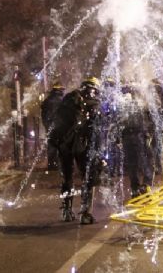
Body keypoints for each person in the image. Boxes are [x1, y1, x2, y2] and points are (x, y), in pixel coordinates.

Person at [49, 77, 103, 224]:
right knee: (88, 177)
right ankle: (85, 213)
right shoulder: (94, 102)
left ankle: (67, 211)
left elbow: (55, 120)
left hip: (64, 143)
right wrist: (98, 153)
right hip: (82, 144)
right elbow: (95, 130)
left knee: (67, 178)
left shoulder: (68, 98)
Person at [119, 91, 154, 198]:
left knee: (132, 165)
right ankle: (145, 186)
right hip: (139, 137)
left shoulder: (123, 108)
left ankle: (136, 189)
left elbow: (118, 124)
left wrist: (118, 139)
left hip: (128, 138)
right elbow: (149, 120)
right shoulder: (140, 106)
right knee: (146, 162)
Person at [41, 83, 65, 171]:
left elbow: (43, 114)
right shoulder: (60, 100)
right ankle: (57, 164)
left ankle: (52, 164)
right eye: (62, 90)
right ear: (58, 91)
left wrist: (46, 124)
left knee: (51, 145)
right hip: (58, 126)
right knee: (59, 145)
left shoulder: (47, 100)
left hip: (49, 126)